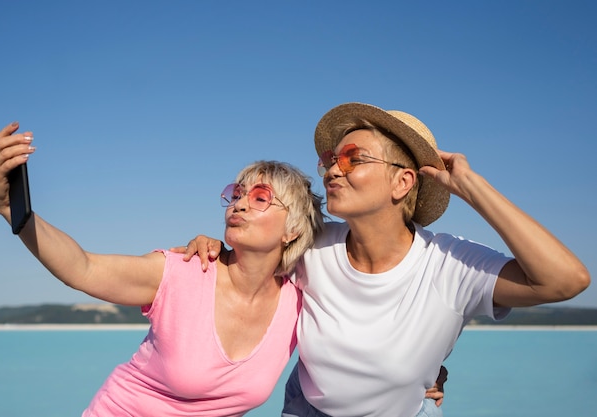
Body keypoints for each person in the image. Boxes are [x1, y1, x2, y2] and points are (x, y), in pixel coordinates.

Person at [179, 102, 591, 417]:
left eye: (352, 158)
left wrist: (471, 186)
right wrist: (213, 246)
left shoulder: (452, 264)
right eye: (329, 160)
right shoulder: (311, 246)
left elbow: (565, 280)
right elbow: (251, 246)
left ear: (402, 181)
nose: (331, 171)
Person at [0, 122, 326, 416]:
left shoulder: (298, 304)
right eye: (237, 194)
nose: (239, 204)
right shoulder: (184, 271)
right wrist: (13, 211)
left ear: (292, 229)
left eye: (260, 197)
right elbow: (83, 268)